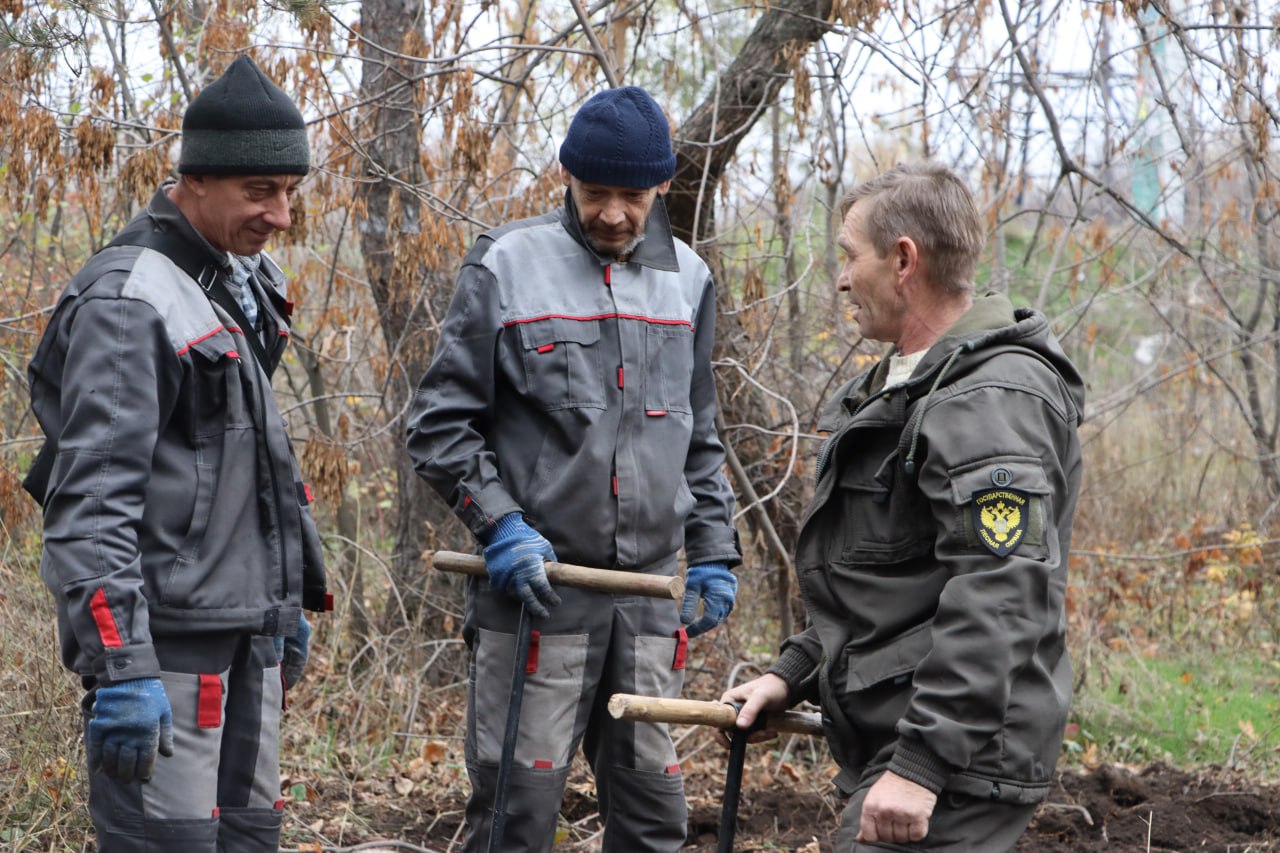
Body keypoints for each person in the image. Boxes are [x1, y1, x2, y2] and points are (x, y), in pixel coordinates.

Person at [406, 85, 742, 852]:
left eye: (633, 195)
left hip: (651, 606)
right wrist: (502, 524)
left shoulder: (688, 280)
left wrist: (716, 552)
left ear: (663, 186)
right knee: (515, 815)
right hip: (539, 598)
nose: (615, 214)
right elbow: (437, 423)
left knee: (657, 817)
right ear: (567, 176)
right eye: (597, 193)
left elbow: (701, 435)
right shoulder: (507, 265)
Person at [722, 162, 1085, 852]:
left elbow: (1001, 592)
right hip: (919, 731)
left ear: (903, 259)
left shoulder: (988, 398)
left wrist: (921, 764)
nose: (840, 278)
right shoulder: (912, 384)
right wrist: (791, 672)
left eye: (848, 257)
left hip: (962, 751)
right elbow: (893, 576)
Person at [25, 55, 329, 852]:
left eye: (290, 191)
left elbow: (254, 457)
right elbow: (90, 506)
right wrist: (122, 666)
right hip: (165, 656)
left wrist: (289, 591)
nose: (282, 214)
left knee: (250, 836)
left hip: (247, 640)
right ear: (192, 179)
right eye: (260, 192)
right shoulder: (133, 300)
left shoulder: (234, 279)